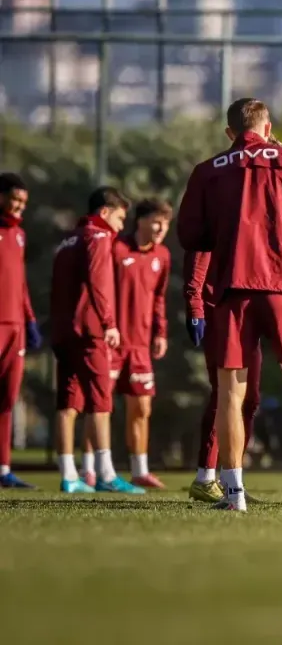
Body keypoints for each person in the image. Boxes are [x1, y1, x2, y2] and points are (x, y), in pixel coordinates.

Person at [177, 97, 282, 512]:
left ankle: (233, 493)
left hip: (232, 288)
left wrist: (229, 239)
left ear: (230, 132)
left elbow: (191, 235)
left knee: (230, 393)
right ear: (268, 128)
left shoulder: (208, 170)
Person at [51, 187, 144, 494]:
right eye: (120, 218)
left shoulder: (68, 239)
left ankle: (69, 476)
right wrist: (109, 324)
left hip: (63, 332)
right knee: (101, 402)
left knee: (68, 403)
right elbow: (98, 281)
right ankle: (105, 474)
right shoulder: (99, 236)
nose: (121, 226)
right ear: (104, 213)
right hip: (89, 331)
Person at [184, 248, 264, 503]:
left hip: (246, 314)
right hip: (218, 312)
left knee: (250, 399)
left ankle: (232, 478)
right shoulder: (216, 227)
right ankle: (205, 478)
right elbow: (198, 260)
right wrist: (195, 309)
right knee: (225, 393)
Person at [105, 198, 172, 490]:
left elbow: (159, 297)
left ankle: (139, 470)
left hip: (141, 345)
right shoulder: (116, 248)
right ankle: (93, 469)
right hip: (111, 341)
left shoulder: (163, 256)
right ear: (140, 221)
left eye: (165, 224)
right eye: (156, 221)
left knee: (142, 408)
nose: (160, 228)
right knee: (100, 407)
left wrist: (160, 333)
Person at [0, 173, 40, 489]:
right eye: (14, 199)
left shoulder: (19, 235)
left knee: (7, 399)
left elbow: (21, 282)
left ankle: (3, 469)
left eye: (23, 201)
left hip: (16, 328)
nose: (18, 206)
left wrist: (29, 319)